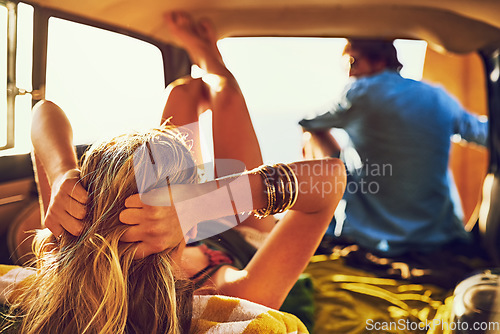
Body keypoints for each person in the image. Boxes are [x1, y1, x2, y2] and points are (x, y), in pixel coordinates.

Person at [1, 12, 346, 333]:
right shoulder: (229, 293)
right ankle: (213, 63)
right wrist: (197, 204)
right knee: (211, 92)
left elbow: (43, 114)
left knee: (182, 93)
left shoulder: (67, 245)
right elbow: (331, 179)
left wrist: (63, 173)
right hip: (245, 234)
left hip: (174, 228)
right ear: (192, 221)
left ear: (88, 197)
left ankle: (203, 74)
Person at [300, 38, 489, 257]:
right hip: (439, 237)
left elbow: (307, 123)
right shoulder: (438, 96)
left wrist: (337, 164)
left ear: (379, 61)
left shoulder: (359, 93)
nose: (349, 74)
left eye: (352, 62)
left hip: (370, 240)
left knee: (312, 136)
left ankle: (331, 220)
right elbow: (485, 135)